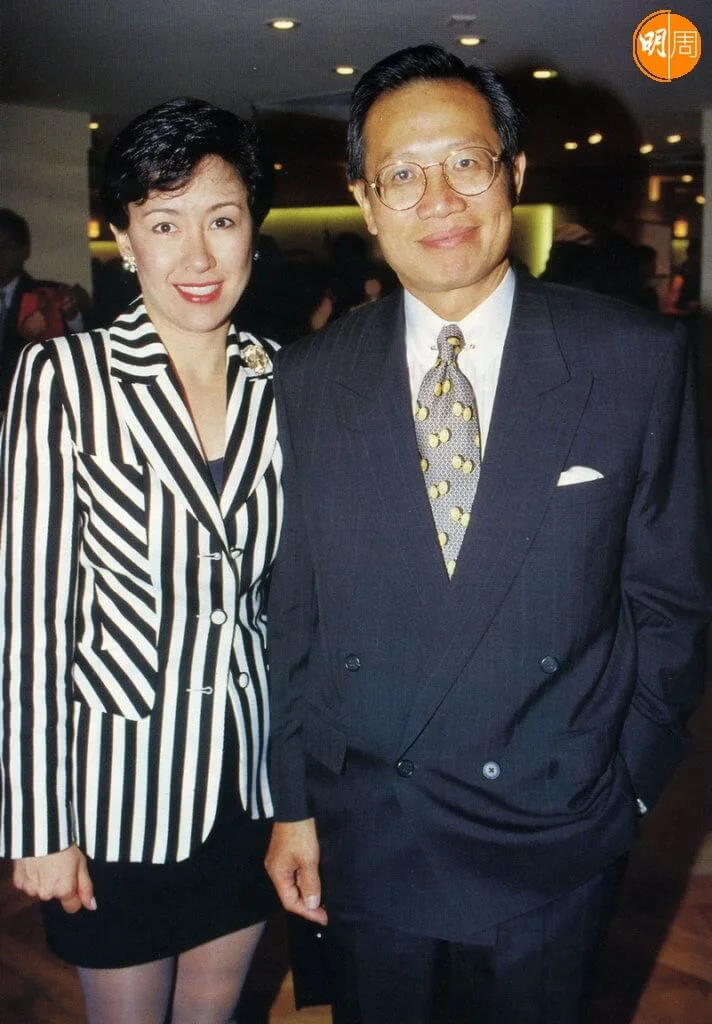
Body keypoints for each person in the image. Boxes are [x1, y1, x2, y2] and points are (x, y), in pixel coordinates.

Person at [265, 44, 711, 1024]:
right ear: (365, 199)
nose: (439, 199)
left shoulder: (632, 358)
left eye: (466, 162)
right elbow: (294, 611)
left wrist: (628, 785)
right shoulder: (309, 377)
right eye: (401, 175)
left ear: (512, 172)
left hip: (553, 826)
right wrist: (292, 804)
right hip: (372, 826)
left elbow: (672, 599)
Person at [0, 97, 282, 1024]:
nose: (198, 256)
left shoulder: (288, 381)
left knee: (214, 1013)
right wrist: (39, 823)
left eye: (222, 220)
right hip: (114, 794)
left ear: (253, 232)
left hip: (249, 783)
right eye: (164, 224)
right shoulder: (63, 379)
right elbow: (31, 622)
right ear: (124, 239)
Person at [0, 207, 88, 410]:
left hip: (31, 405)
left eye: (7, 246)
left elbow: (82, 339)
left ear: (24, 251)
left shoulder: (48, 294)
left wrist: (72, 315)